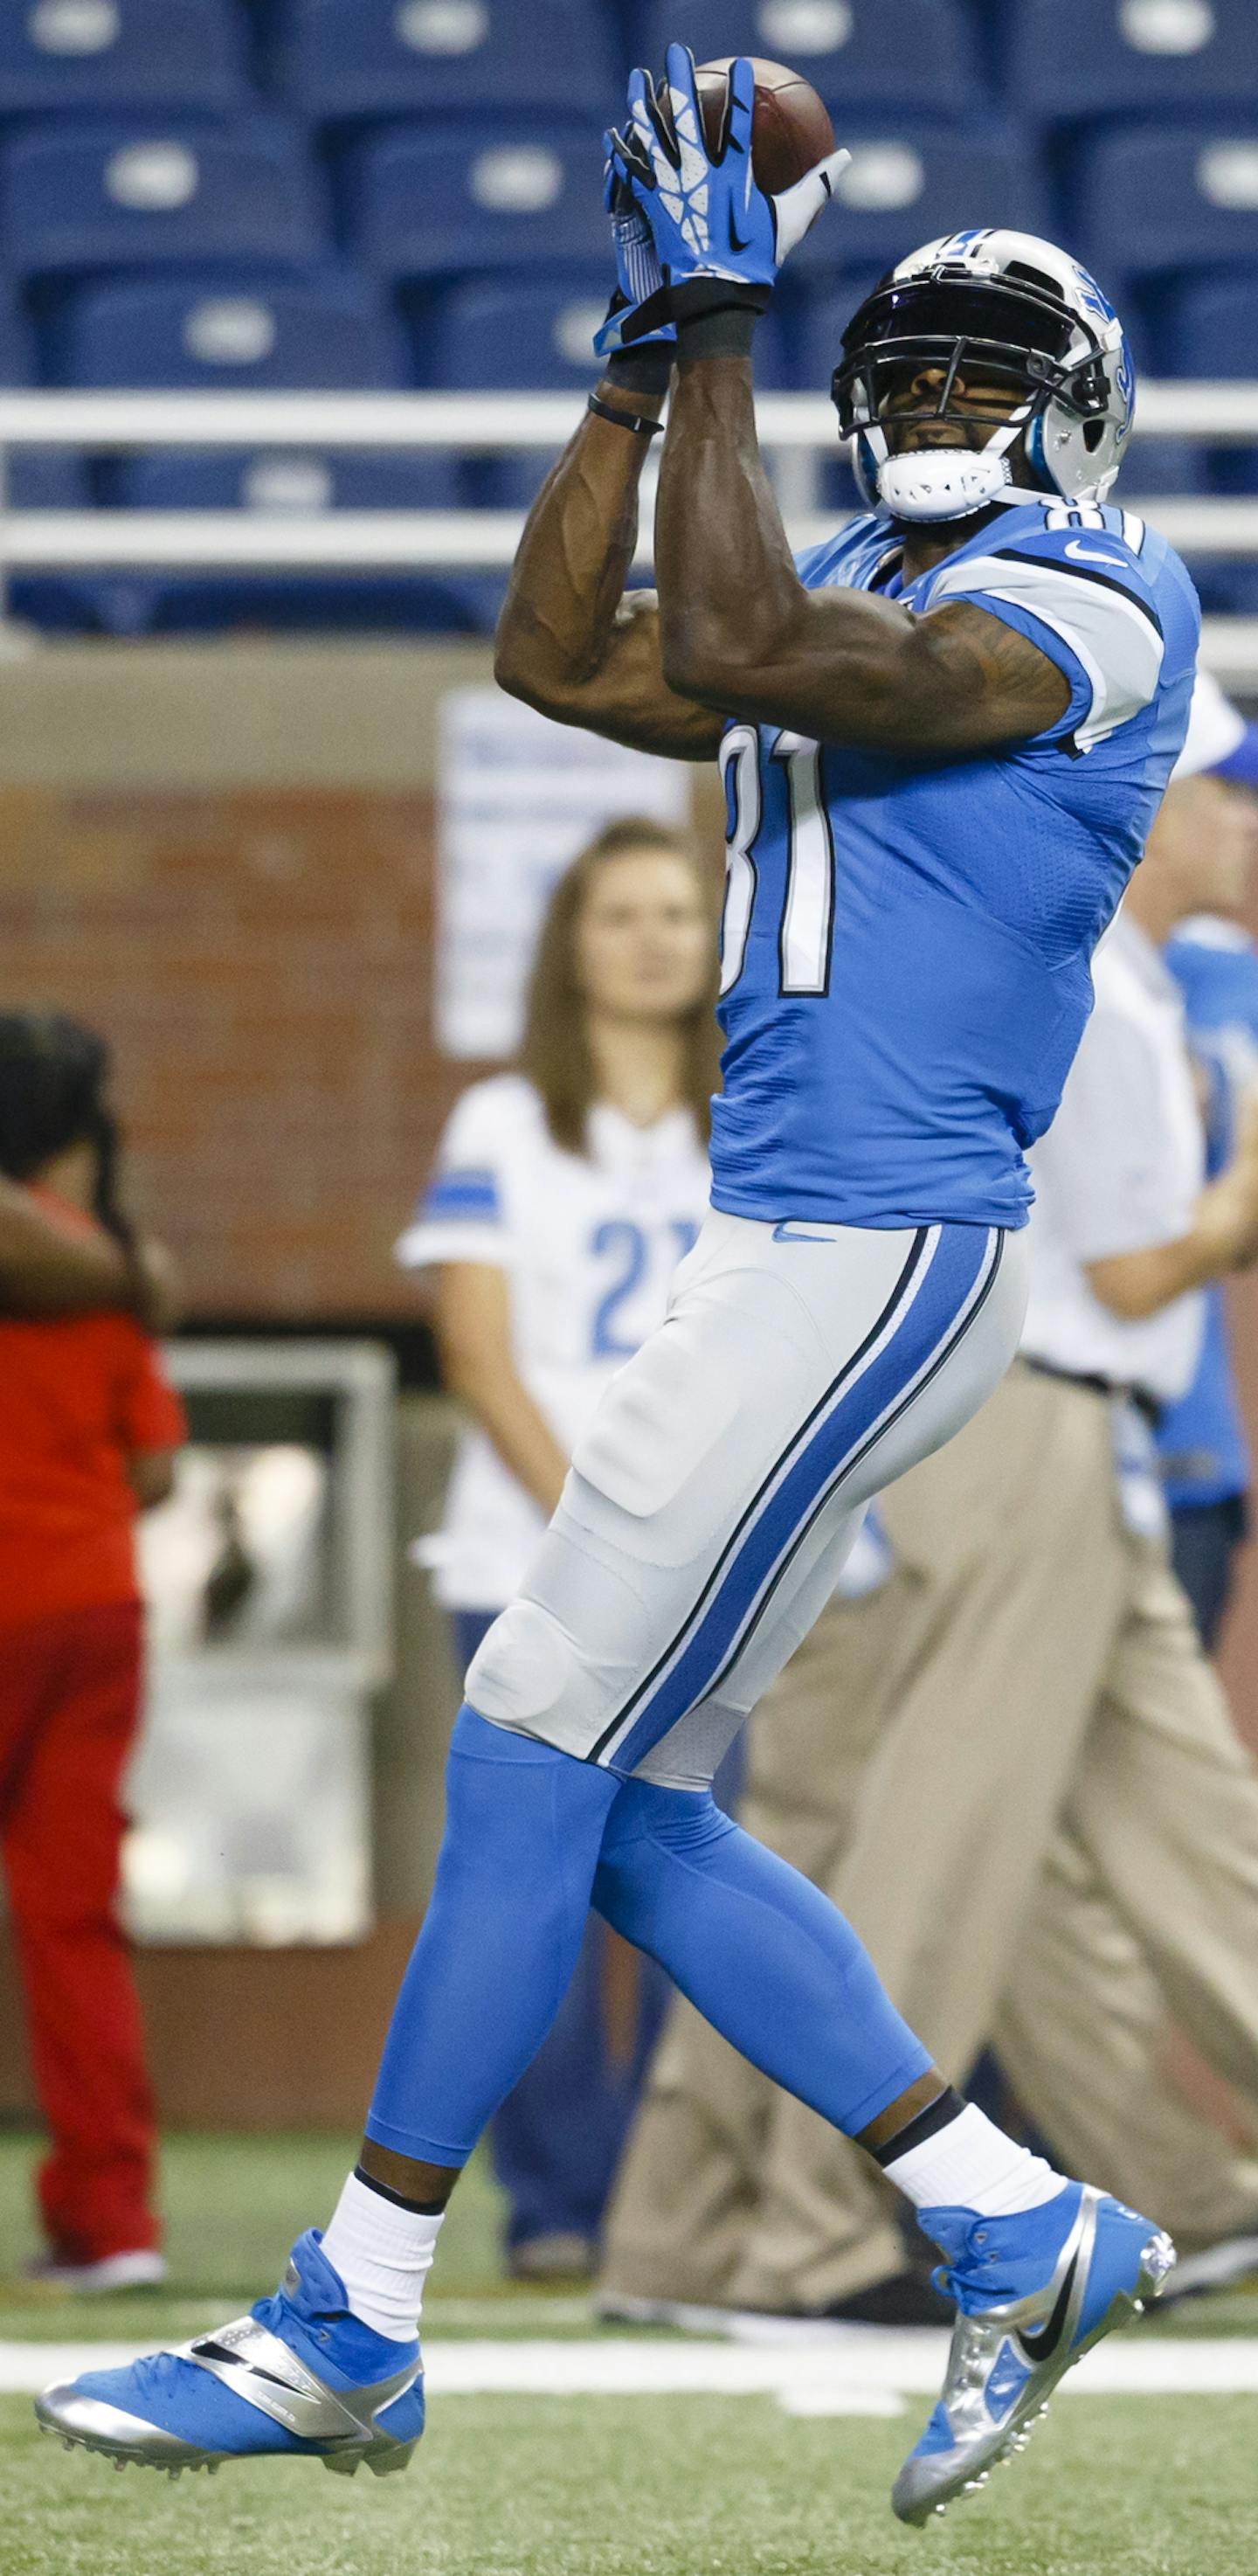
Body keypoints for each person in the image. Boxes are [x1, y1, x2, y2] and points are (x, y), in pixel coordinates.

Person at [41, 53, 1198, 2529]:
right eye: (912, 380)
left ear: (1082, 423)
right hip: (794, 1245)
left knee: (519, 1748)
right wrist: (636, 351)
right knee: (632, 1803)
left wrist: (721, 331)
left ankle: (357, 2304)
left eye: (991, 385)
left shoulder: (1094, 604)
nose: (948, 417)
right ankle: (1019, 2217)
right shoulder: (874, 580)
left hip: (872, 1243)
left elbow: (755, 629)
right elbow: (564, 657)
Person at [598, 670, 1258, 2326]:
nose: (1245, 825)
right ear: (1161, 805)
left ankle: (697, 2236)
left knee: (1178, 1837)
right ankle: (806, 2243)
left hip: (1018, 1422)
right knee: (938, 1844)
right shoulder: (1092, 982)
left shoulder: (1116, 975)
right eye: (1231, 792)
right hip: (1016, 1421)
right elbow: (1121, 1260)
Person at [397, 817, 716, 2275]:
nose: (654, 936)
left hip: (714, 1575)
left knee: (680, 1884)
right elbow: (474, 1349)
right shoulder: (503, 1117)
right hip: (525, 1565)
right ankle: (553, 2201)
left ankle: (662, 2199)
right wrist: (602, 1531)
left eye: (677, 910)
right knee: (526, 1886)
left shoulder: (757, 1115)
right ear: (567, 946)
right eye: (618, 914)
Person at [0, 1013, 186, 2292]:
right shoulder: (109, 1289)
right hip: (92, 1606)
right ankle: (110, 2220)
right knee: (73, 1920)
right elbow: (160, 1467)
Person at [1156, 671, 1258, 1648]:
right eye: (1229, 796)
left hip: (1191, 1445)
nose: (1250, 824)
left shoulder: (1228, 970)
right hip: (1057, 1441)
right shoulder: (1062, 968)